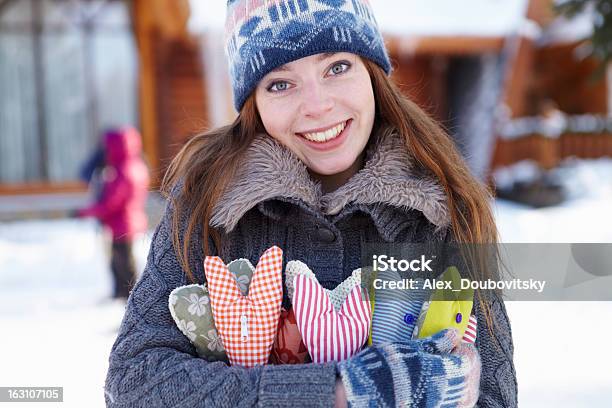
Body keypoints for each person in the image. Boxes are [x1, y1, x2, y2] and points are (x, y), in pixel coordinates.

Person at [104, 1, 517, 406]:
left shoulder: (446, 208)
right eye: (280, 84)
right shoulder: (205, 201)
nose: (318, 106)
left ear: (372, 73)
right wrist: (334, 392)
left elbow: (495, 395)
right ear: (254, 103)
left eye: (337, 67)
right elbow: (132, 382)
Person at [78, 127, 150, 300]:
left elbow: (111, 202)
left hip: (122, 222)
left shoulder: (122, 170)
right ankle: (122, 294)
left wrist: (86, 212)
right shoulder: (135, 164)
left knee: (124, 262)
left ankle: (132, 297)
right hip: (128, 220)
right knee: (120, 260)